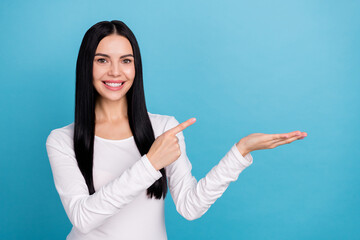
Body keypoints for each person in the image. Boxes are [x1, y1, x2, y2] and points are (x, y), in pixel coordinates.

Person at [45, 20, 307, 240]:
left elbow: (190, 206)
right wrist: (150, 164)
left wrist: (241, 151)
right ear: (86, 66)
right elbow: (82, 217)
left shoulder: (163, 128)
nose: (115, 71)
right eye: (102, 60)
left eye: (126, 60)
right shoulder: (61, 140)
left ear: (136, 67)